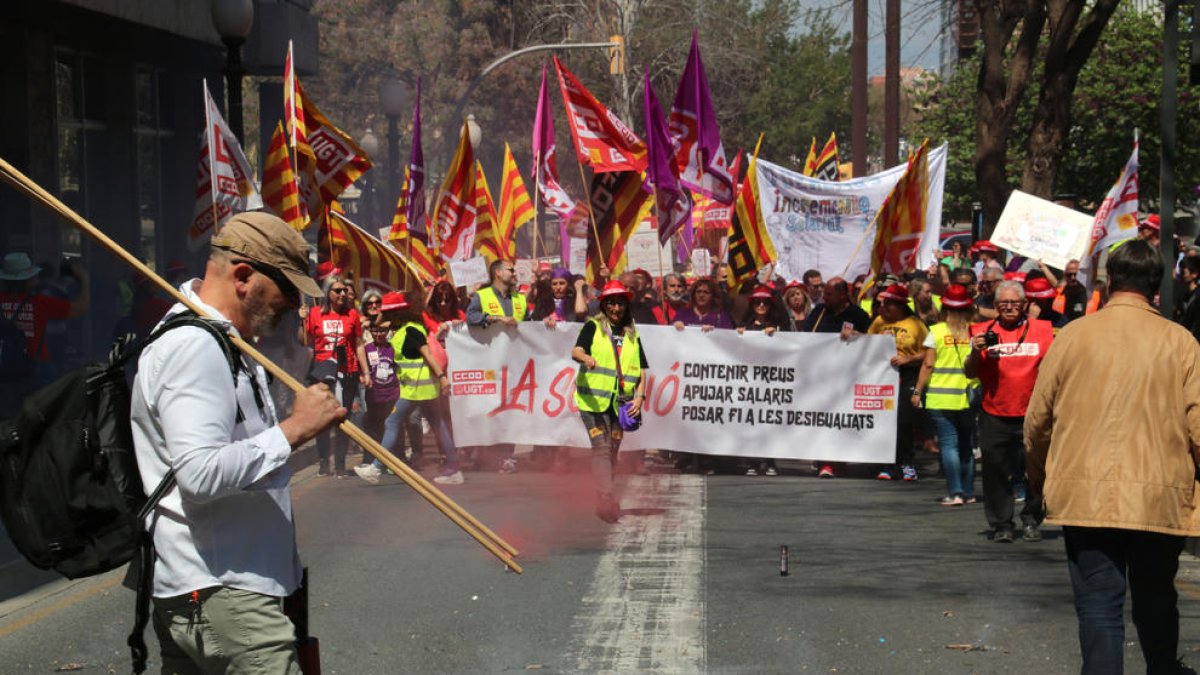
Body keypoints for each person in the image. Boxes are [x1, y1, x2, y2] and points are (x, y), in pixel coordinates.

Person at [131, 212, 344, 673]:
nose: (293, 304)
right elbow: (199, 474)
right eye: (287, 290)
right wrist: (295, 429)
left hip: (223, 588)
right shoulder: (196, 346)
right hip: (223, 590)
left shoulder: (223, 341)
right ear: (244, 276)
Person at [1025, 239, 1200, 675]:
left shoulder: (1073, 337)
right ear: (1156, 287)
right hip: (1160, 492)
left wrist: (1038, 477)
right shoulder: (1181, 342)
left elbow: (1037, 421)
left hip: (1085, 493)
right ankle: (1163, 668)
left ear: (1108, 281)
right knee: (1157, 594)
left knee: (1100, 605)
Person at [964, 280, 1054, 543]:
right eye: (1004, 304)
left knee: (1036, 470)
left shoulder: (1042, 330)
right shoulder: (981, 330)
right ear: (995, 307)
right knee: (995, 470)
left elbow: (1052, 369)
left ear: (1024, 305)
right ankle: (1002, 523)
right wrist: (974, 351)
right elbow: (970, 373)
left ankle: (1031, 519)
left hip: (1032, 413)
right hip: (995, 413)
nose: (1010, 308)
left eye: (1015, 303)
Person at [355, 292, 462, 485]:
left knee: (392, 422)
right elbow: (380, 325)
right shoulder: (405, 329)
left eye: (386, 312)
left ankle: (376, 468)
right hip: (422, 389)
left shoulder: (410, 331)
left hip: (416, 390)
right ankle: (453, 468)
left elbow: (428, 355)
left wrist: (442, 378)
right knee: (438, 425)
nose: (382, 316)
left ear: (394, 314)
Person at [572, 281, 648, 523]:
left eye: (620, 303)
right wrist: (586, 358)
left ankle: (601, 492)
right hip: (592, 402)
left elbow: (642, 369)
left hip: (620, 404)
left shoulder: (632, 334)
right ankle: (606, 497)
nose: (616, 308)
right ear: (604, 305)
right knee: (601, 448)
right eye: (612, 303)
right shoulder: (593, 327)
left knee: (612, 450)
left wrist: (640, 396)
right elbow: (576, 351)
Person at [0, 251, 90, 411]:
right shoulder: (40, 303)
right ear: (27, 280)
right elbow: (81, 308)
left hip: (5, 369)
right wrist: (84, 279)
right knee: (44, 418)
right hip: (37, 367)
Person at [914, 284, 978, 505]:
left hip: (941, 398)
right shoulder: (974, 331)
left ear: (946, 308)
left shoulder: (937, 331)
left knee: (949, 445)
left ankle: (955, 492)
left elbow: (928, 365)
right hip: (967, 398)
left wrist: (917, 391)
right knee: (966, 445)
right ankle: (968, 492)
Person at [300, 274, 369, 477]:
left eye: (344, 290)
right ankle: (324, 462)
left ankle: (339, 463)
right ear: (327, 293)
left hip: (347, 371)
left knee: (343, 417)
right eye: (337, 290)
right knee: (322, 419)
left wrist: (365, 372)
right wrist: (302, 321)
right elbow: (304, 341)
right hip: (322, 371)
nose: (342, 293)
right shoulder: (314, 313)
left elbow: (358, 344)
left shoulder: (352, 315)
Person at [466, 260, 528, 473]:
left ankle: (506, 456)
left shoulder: (520, 299)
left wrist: (544, 322)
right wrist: (496, 318)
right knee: (489, 408)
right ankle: (483, 453)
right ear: (499, 273)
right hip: (489, 362)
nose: (514, 273)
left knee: (509, 409)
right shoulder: (482, 296)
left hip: (514, 363)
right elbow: (471, 317)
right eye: (511, 269)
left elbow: (529, 326)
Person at [867, 284, 929, 481]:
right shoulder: (878, 322)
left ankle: (907, 463)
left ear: (900, 305)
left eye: (888, 304)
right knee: (885, 420)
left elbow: (929, 352)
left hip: (908, 374)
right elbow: (867, 344)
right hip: (883, 375)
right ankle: (889, 464)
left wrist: (909, 359)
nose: (883, 308)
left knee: (903, 420)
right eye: (882, 304)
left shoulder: (916, 325)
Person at [736, 284, 787, 476]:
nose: (761, 305)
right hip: (749, 382)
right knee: (751, 422)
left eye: (765, 302)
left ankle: (770, 461)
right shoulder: (744, 326)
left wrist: (777, 334)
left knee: (769, 423)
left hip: (771, 382)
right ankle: (753, 462)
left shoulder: (779, 326)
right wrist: (739, 335)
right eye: (757, 301)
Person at [361, 319, 399, 453]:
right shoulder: (366, 349)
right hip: (374, 395)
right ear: (371, 332)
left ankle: (397, 456)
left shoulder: (393, 347)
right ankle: (378, 456)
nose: (379, 334)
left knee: (393, 425)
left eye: (382, 330)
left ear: (387, 331)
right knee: (375, 426)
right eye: (375, 331)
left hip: (392, 394)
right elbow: (361, 370)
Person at [1052, 259, 1101, 324]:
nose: (1073, 278)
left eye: (1076, 274)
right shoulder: (1058, 293)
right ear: (1065, 275)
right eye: (1069, 275)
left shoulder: (1092, 294)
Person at [1176, 256, 1200, 339]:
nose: (1181, 275)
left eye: (1183, 272)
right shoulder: (1184, 294)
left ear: (1194, 274)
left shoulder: (1197, 297)